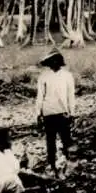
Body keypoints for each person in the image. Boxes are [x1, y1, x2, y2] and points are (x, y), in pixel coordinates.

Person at [36, 48, 75, 179]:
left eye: (56, 60)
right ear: (48, 62)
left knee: (66, 139)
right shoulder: (43, 76)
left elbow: (71, 96)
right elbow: (40, 96)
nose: (54, 63)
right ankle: (52, 165)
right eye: (51, 61)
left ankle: (67, 165)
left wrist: (72, 112)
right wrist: (38, 113)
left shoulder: (67, 76)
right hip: (48, 112)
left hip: (63, 112)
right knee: (50, 141)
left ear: (60, 61)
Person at [0, 128, 25, 193]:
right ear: (1, 140)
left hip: (0, 182)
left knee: (15, 178)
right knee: (13, 179)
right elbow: (11, 171)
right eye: (9, 139)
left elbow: (15, 169)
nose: (10, 142)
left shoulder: (5, 151)